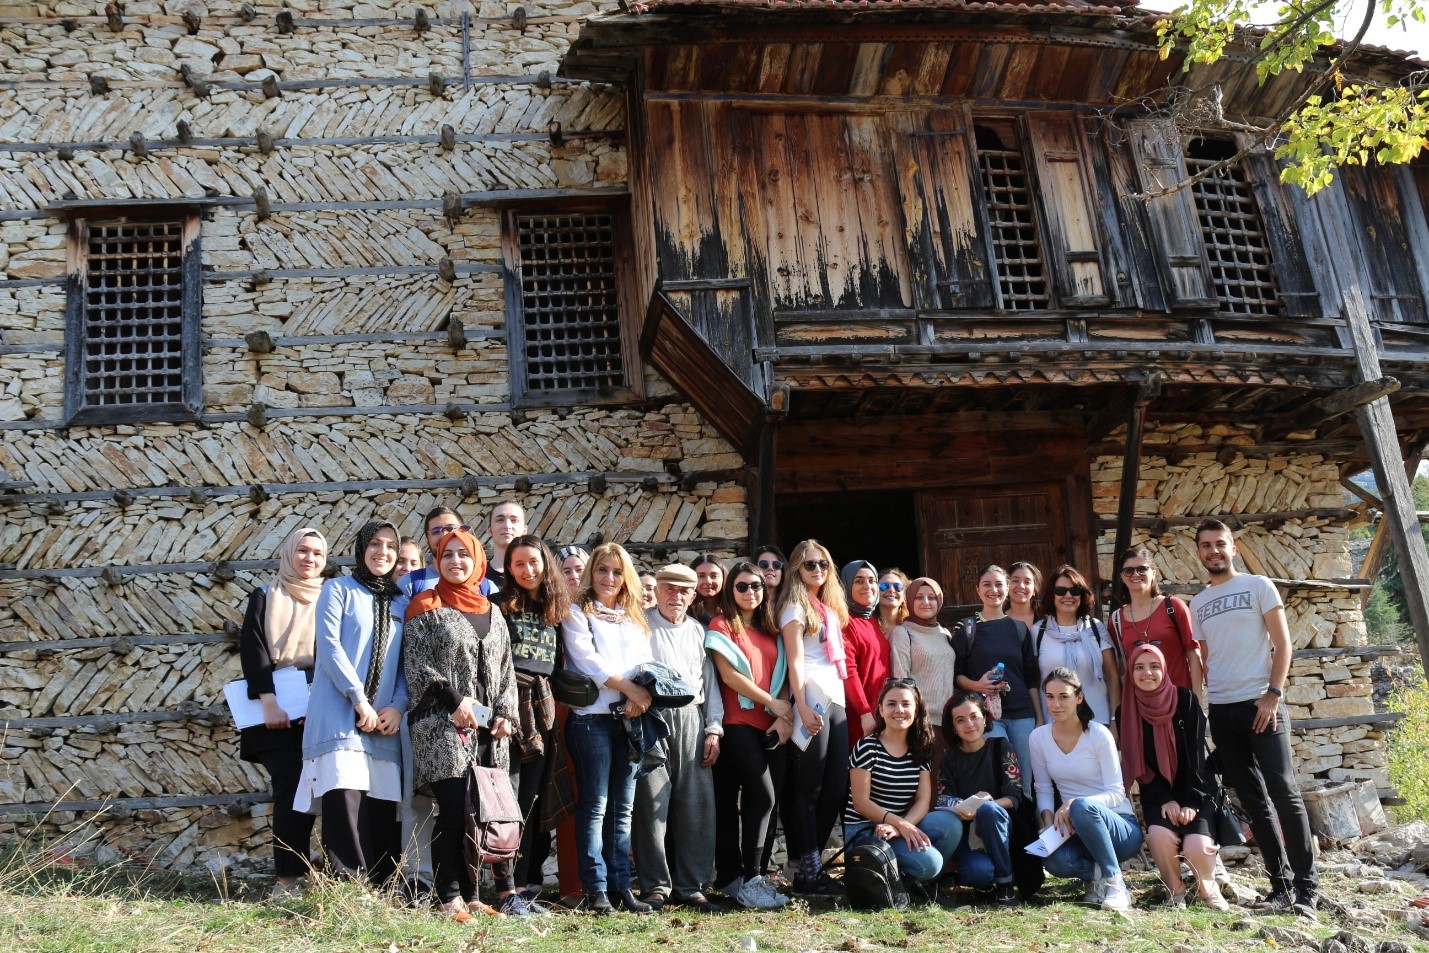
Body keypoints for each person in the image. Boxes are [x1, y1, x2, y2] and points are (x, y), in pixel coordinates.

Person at [1191, 518, 1319, 917]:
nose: (1214, 551)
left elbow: (1283, 645)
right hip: (1224, 710)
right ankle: (1279, 886)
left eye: (1220, 544)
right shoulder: (1198, 603)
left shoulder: (1259, 585)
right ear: (1198, 553)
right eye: (1206, 545)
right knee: (1252, 800)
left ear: (1234, 548)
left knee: (1284, 792)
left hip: (1262, 704)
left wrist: (1273, 696)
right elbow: (1208, 658)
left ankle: (1307, 889)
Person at [403, 528, 525, 919]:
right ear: (437, 561)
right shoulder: (425, 606)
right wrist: (454, 702)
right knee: (455, 808)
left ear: (478, 561)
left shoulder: (493, 611)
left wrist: (507, 716)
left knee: (482, 813)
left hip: (489, 731)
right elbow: (418, 664)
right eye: (447, 554)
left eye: (464, 555)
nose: (456, 561)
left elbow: (506, 671)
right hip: (442, 723)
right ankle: (448, 897)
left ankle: (474, 896)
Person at [295, 520, 406, 886]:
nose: (383, 552)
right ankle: (350, 887)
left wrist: (398, 706)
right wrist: (360, 700)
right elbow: (329, 648)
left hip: (385, 720)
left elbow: (409, 661)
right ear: (361, 548)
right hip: (340, 713)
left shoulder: (401, 601)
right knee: (344, 795)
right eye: (375, 543)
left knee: (381, 803)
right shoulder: (338, 589)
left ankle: (384, 885)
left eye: (391, 546)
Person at [560, 542, 655, 914]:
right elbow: (588, 662)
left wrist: (640, 697)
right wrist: (630, 689)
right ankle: (596, 889)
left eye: (617, 571)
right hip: (592, 721)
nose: (609, 578)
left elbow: (646, 662)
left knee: (623, 810)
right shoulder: (577, 611)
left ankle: (622, 888)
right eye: (602, 570)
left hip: (631, 719)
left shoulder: (635, 616)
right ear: (591, 572)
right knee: (596, 806)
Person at [238, 527, 328, 897]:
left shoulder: (331, 597)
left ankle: (335, 876)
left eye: (318, 554)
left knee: (334, 793)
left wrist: (319, 705)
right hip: (275, 710)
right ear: (288, 553)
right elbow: (253, 649)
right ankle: (289, 879)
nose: (309, 559)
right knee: (291, 791)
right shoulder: (265, 596)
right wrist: (269, 700)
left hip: (322, 705)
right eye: (303, 551)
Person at [633, 565, 724, 912]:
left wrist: (714, 728)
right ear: (658, 590)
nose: (676, 596)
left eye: (684, 591)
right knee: (650, 801)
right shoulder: (641, 625)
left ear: (693, 595)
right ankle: (655, 885)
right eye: (669, 589)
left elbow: (710, 683)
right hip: (651, 714)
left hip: (692, 717)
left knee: (697, 803)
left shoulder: (699, 632)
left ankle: (692, 885)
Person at [706, 560, 792, 910]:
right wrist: (772, 702)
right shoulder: (721, 625)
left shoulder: (771, 629)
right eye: (742, 586)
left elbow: (784, 673)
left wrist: (783, 713)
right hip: (737, 722)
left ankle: (737, 878)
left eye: (756, 585)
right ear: (730, 590)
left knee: (761, 803)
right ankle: (750, 878)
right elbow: (729, 676)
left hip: (770, 726)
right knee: (761, 795)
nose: (750, 592)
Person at [493, 534, 571, 908]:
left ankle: (523, 885)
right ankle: (504, 886)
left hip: (543, 713)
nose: (527, 570)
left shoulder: (555, 612)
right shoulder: (499, 607)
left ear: (546, 565)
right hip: (507, 712)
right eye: (519, 563)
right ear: (509, 568)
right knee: (505, 801)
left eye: (534, 562)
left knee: (533, 801)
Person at [1119, 644, 1227, 911]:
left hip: (1196, 790)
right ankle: (1175, 891)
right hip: (1157, 794)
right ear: (1130, 672)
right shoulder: (1127, 711)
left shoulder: (1185, 700)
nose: (1147, 673)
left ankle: (1208, 888)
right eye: (1139, 667)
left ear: (1164, 669)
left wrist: (1190, 801)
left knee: (1196, 846)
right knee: (1158, 836)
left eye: (1154, 666)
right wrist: (1165, 799)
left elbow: (1197, 757)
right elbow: (1139, 764)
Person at [1030, 668, 1142, 912]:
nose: (1055, 704)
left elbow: (1116, 792)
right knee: (1052, 860)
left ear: (1079, 697)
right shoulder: (1038, 738)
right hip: (1075, 830)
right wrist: (1049, 825)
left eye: (1063, 696)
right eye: (1049, 697)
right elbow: (1043, 788)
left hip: (1120, 828)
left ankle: (1115, 884)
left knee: (1081, 805)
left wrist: (1074, 804)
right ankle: (1095, 877)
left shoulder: (1099, 734)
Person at [777, 539, 851, 896]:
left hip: (835, 696)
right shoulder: (793, 607)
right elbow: (795, 660)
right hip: (812, 696)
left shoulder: (828, 609)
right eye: (810, 565)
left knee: (836, 788)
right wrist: (801, 706)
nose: (818, 570)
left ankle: (810, 866)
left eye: (823, 564)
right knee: (808, 788)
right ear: (796, 569)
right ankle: (807, 871)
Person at [844, 679, 960, 894]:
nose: (899, 710)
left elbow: (923, 801)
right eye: (891, 704)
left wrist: (901, 826)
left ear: (916, 711)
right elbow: (861, 803)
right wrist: (899, 824)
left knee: (950, 823)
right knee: (931, 863)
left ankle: (909, 881)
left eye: (906, 704)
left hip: (896, 827)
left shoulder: (920, 748)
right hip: (867, 831)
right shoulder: (867, 746)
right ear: (880, 709)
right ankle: (902, 880)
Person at [954, 565, 1041, 796]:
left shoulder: (1020, 628)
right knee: (998, 776)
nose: (994, 590)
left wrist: (1039, 716)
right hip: (987, 716)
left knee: (1025, 781)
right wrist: (977, 686)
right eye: (987, 585)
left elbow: (1031, 676)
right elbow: (957, 675)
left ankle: (1027, 829)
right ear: (978, 590)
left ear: (1006, 589)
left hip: (1023, 714)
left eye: (999, 584)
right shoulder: (967, 628)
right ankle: (1003, 829)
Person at [939, 691, 1025, 906]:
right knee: (977, 874)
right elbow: (943, 799)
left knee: (988, 810)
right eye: (960, 720)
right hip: (968, 833)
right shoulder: (949, 759)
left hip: (1000, 827)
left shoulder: (1001, 747)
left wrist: (984, 805)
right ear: (953, 727)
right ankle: (986, 881)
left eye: (974, 716)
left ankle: (1005, 884)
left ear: (985, 717)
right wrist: (962, 807)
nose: (969, 724)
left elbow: (1014, 797)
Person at [1112, 547, 1204, 702]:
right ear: (1122, 576)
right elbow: (1121, 667)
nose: (1135, 574)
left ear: (1153, 573)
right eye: (1128, 570)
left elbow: (1194, 656)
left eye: (1142, 569)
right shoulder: (1116, 620)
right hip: (1142, 706)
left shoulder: (1173, 607)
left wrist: (1197, 703)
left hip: (1179, 700)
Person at [1035, 566, 1120, 728]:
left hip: (1098, 722)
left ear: (1082, 595)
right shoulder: (1038, 632)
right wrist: (1039, 720)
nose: (1068, 596)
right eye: (1060, 591)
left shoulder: (1095, 629)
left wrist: (1115, 720)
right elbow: (1033, 680)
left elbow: (1113, 676)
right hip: (1054, 726)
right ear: (1051, 596)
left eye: (1074, 591)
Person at [889, 578, 957, 771]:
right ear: (909, 600)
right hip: (922, 722)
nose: (926, 602)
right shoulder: (903, 633)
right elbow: (901, 679)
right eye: (919, 597)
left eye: (931, 597)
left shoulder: (945, 633)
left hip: (948, 723)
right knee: (926, 785)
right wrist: (915, 718)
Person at [840, 560, 891, 749]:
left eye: (871, 580)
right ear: (846, 586)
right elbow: (849, 670)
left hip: (882, 710)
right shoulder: (846, 623)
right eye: (859, 581)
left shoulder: (875, 621)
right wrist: (864, 712)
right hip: (861, 714)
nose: (867, 586)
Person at [484, 500, 527, 591]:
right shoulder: (479, 576)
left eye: (514, 520)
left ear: (525, 530)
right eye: (500, 520)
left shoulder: (535, 575)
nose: (507, 526)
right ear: (489, 530)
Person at [1006, 561, 1042, 633]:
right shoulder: (997, 621)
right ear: (1006, 586)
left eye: (1027, 582)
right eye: (1015, 581)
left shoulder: (1046, 621)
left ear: (1034, 590)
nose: (1021, 586)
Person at [689, 554, 724, 625]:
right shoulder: (684, 613)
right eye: (701, 576)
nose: (708, 581)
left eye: (714, 576)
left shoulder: (734, 610)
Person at [876, 569, 909, 637]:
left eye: (897, 586)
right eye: (884, 586)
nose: (891, 590)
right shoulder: (867, 626)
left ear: (904, 594)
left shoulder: (911, 627)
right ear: (875, 591)